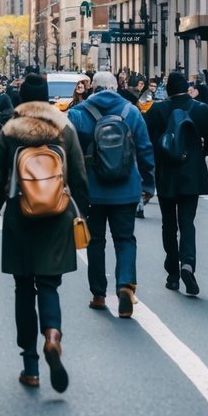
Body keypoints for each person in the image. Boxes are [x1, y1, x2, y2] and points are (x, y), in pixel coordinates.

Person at [0, 73, 88, 392]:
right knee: (49, 285)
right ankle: (53, 334)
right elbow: (79, 176)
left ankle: (30, 365)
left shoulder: (9, 131)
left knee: (22, 289)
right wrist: (84, 215)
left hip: (20, 216)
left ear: (21, 97)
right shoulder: (64, 127)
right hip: (57, 216)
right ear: (46, 97)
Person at [67, 71, 155, 318]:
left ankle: (98, 294)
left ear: (93, 88)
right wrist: (148, 185)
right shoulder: (132, 112)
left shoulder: (77, 113)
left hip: (91, 190)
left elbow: (69, 154)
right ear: (116, 87)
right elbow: (145, 149)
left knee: (95, 241)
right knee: (125, 239)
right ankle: (125, 285)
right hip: (126, 189)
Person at [144, 71, 208, 296]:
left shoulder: (157, 110)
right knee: (187, 221)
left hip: (166, 174)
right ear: (187, 88)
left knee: (168, 224)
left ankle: (173, 274)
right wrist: (200, 153)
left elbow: (147, 141)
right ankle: (188, 263)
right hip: (191, 174)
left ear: (167, 90)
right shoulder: (200, 109)